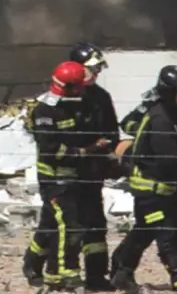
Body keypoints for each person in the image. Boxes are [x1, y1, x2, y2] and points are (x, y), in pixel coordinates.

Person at [109, 65, 177, 293]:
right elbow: (168, 160)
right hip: (151, 189)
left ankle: (121, 270)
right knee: (166, 234)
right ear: (170, 93)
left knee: (153, 231)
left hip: (172, 187)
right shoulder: (159, 119)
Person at [22, 61, 114, 292]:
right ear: (70, 87)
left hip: (79, 178)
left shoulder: (78, 104)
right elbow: (51, 150)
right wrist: (87, 151)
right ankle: (67, 274)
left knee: (51, 226)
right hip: (56, 181)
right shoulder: (45, 111)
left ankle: (37, 266)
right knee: (70, 226)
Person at [68, 43, 120, 291]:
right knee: (69, 227)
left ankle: (96, 276)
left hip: (92, 172)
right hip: (66, 175)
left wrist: (107, 150)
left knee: (95, 226)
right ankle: (62, 275)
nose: (96, 73)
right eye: (91, 68)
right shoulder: (62, 97)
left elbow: (112, 131)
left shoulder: (101, 97)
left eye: (98, 69)